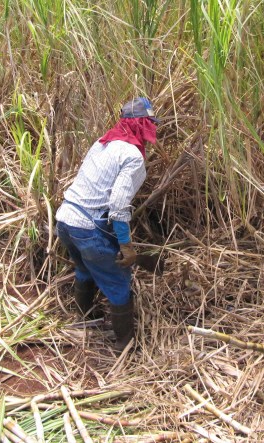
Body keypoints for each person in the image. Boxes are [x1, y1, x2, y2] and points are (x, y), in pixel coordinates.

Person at [55, 97, 159, 353]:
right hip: (87, 229)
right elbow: (119, 205)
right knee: (118, 282)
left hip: (65, 220)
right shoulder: (133, 156)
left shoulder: (103, 143)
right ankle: (125, 346)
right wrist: (126, 246)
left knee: (85, 268)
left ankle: (84, 321)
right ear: (143, 125)